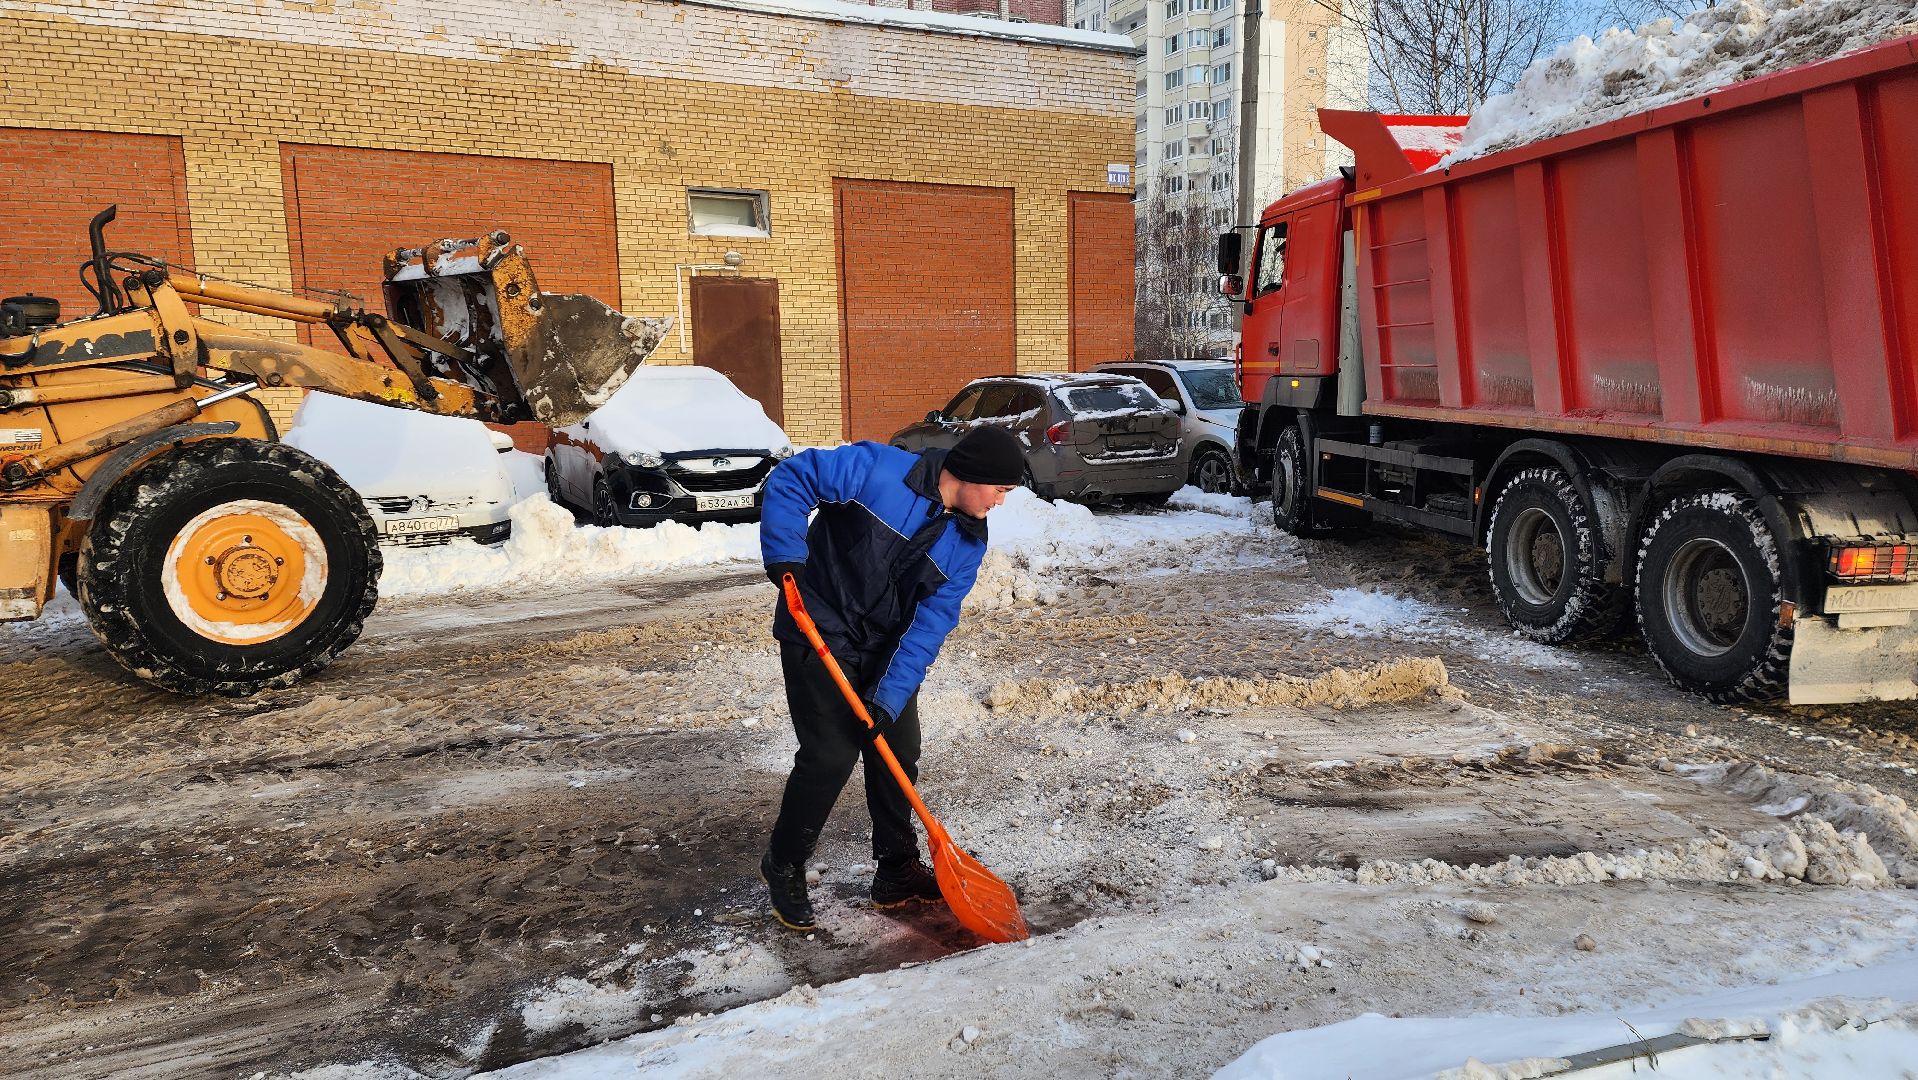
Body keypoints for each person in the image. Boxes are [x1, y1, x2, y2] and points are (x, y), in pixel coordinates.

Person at [756, 425, 1025, 931]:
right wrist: (787, 556)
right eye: (1000, 490)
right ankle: (784, 861)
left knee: (896, 748)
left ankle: (897, 872)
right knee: (831, 753)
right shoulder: (879, 470)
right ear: (971, 476)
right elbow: (793, 478)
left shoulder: (966, 545)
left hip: (885, 649)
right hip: (817, 622)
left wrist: (888, 697)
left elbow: (929, 626)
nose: (1000, 502)